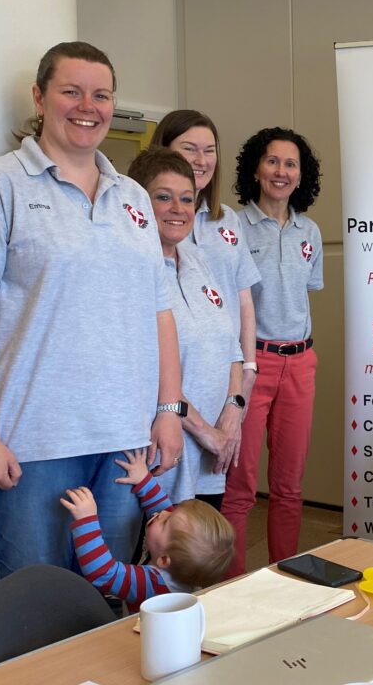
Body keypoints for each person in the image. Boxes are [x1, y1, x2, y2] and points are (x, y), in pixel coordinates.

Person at [0, 41, 182, 581]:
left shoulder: (135, 198)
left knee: (107, 607)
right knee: (32, 608)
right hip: (32, 445)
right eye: (71, 91)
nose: (86, 106)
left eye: (101, 95)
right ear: (39, 97)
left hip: (123, 444)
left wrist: (169, 409)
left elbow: (158, 314)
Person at [221, 127, 323, 573]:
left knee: (289, 486)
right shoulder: (233, 227)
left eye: (291, 164)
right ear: (255, 169)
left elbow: (305, 294)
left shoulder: (311, 231)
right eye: (273, 161)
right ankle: (232, 584)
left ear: (302, 176)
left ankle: (287, 579)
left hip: (300, 362)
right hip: (251, 365)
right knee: (238, 486)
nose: (281, 171)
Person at [128, 148, 244, 507]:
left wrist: (233, 411)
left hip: (211, 458)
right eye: (163, 197)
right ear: (138, 204)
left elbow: (232, 346)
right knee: (153, 559)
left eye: (186, 199)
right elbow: (144, 370)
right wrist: (205, 431)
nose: (178, 208)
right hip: (163, 455)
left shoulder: (198, 261)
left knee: (200, 559)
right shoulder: (133, 269)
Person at [151, 110, 262, 481]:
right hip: (174, 400)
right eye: (189, 149)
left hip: (223, 386)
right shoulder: (140, 236)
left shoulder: (226, 221)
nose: (201, 160)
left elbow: (241, 305)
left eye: (209, 150)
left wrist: (242, 382)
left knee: (207, 522)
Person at [62, 449, 234, 612]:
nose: (163, 513)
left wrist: (87, 519)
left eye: (165, 522)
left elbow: (103, 573)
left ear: (164, 560)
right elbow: (165, 510)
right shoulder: (182, 566)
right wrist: (144, 479)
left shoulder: (152, 584)